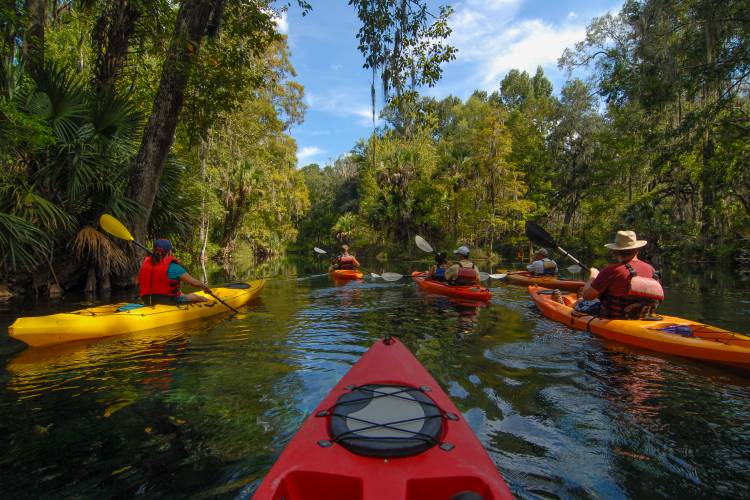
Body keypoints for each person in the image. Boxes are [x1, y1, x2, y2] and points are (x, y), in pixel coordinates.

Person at [579, 230, 664, 319]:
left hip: (616, 318)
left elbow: (587, 296)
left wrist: (593, 276)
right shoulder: (652, 270)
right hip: (644, 317)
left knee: (580, 302)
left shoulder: (611, 270)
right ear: (637, 250)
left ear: (615, 252)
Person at [138, 238, 212, 305]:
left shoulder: (144, 264)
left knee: (181, 294)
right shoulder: (174, 268)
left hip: (147, 300)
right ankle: (211, 302)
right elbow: (194, 283)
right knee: (196, 297)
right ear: (170, 252)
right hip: (167, 301)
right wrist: (205, 288)